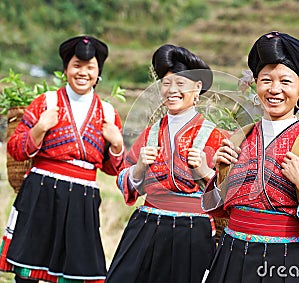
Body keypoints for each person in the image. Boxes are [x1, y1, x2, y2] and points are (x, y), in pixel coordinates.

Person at [201, 31, 299, 283]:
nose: (274, 89)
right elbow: (216, 210)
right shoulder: (239, 139)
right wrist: (220, 175)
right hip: (231, 257)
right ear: (256, 85)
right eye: (266, 80)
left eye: (285, 81)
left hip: (287, 264)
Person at [0, 35, 125, 283]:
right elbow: (15, 149)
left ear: (98, 72)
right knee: (27, 272)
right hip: (41, 192)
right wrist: (39, 128)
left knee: (77, 273)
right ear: (66, 68)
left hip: (82, 197)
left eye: (90, 67)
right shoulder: (45, 103)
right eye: (77, 65)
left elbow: (113, 169)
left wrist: (118, 144)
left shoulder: (109, 113)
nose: (83, 73)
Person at [105, 44, 228, 283]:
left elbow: (231, 196)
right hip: (147, 225)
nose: (172, 90)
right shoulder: (149, 134)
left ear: (197, 88)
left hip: (193, 233)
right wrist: (139, 168)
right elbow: (124, 180)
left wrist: (204, 172)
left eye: (180, 84)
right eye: (166, 83)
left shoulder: (216, 137)